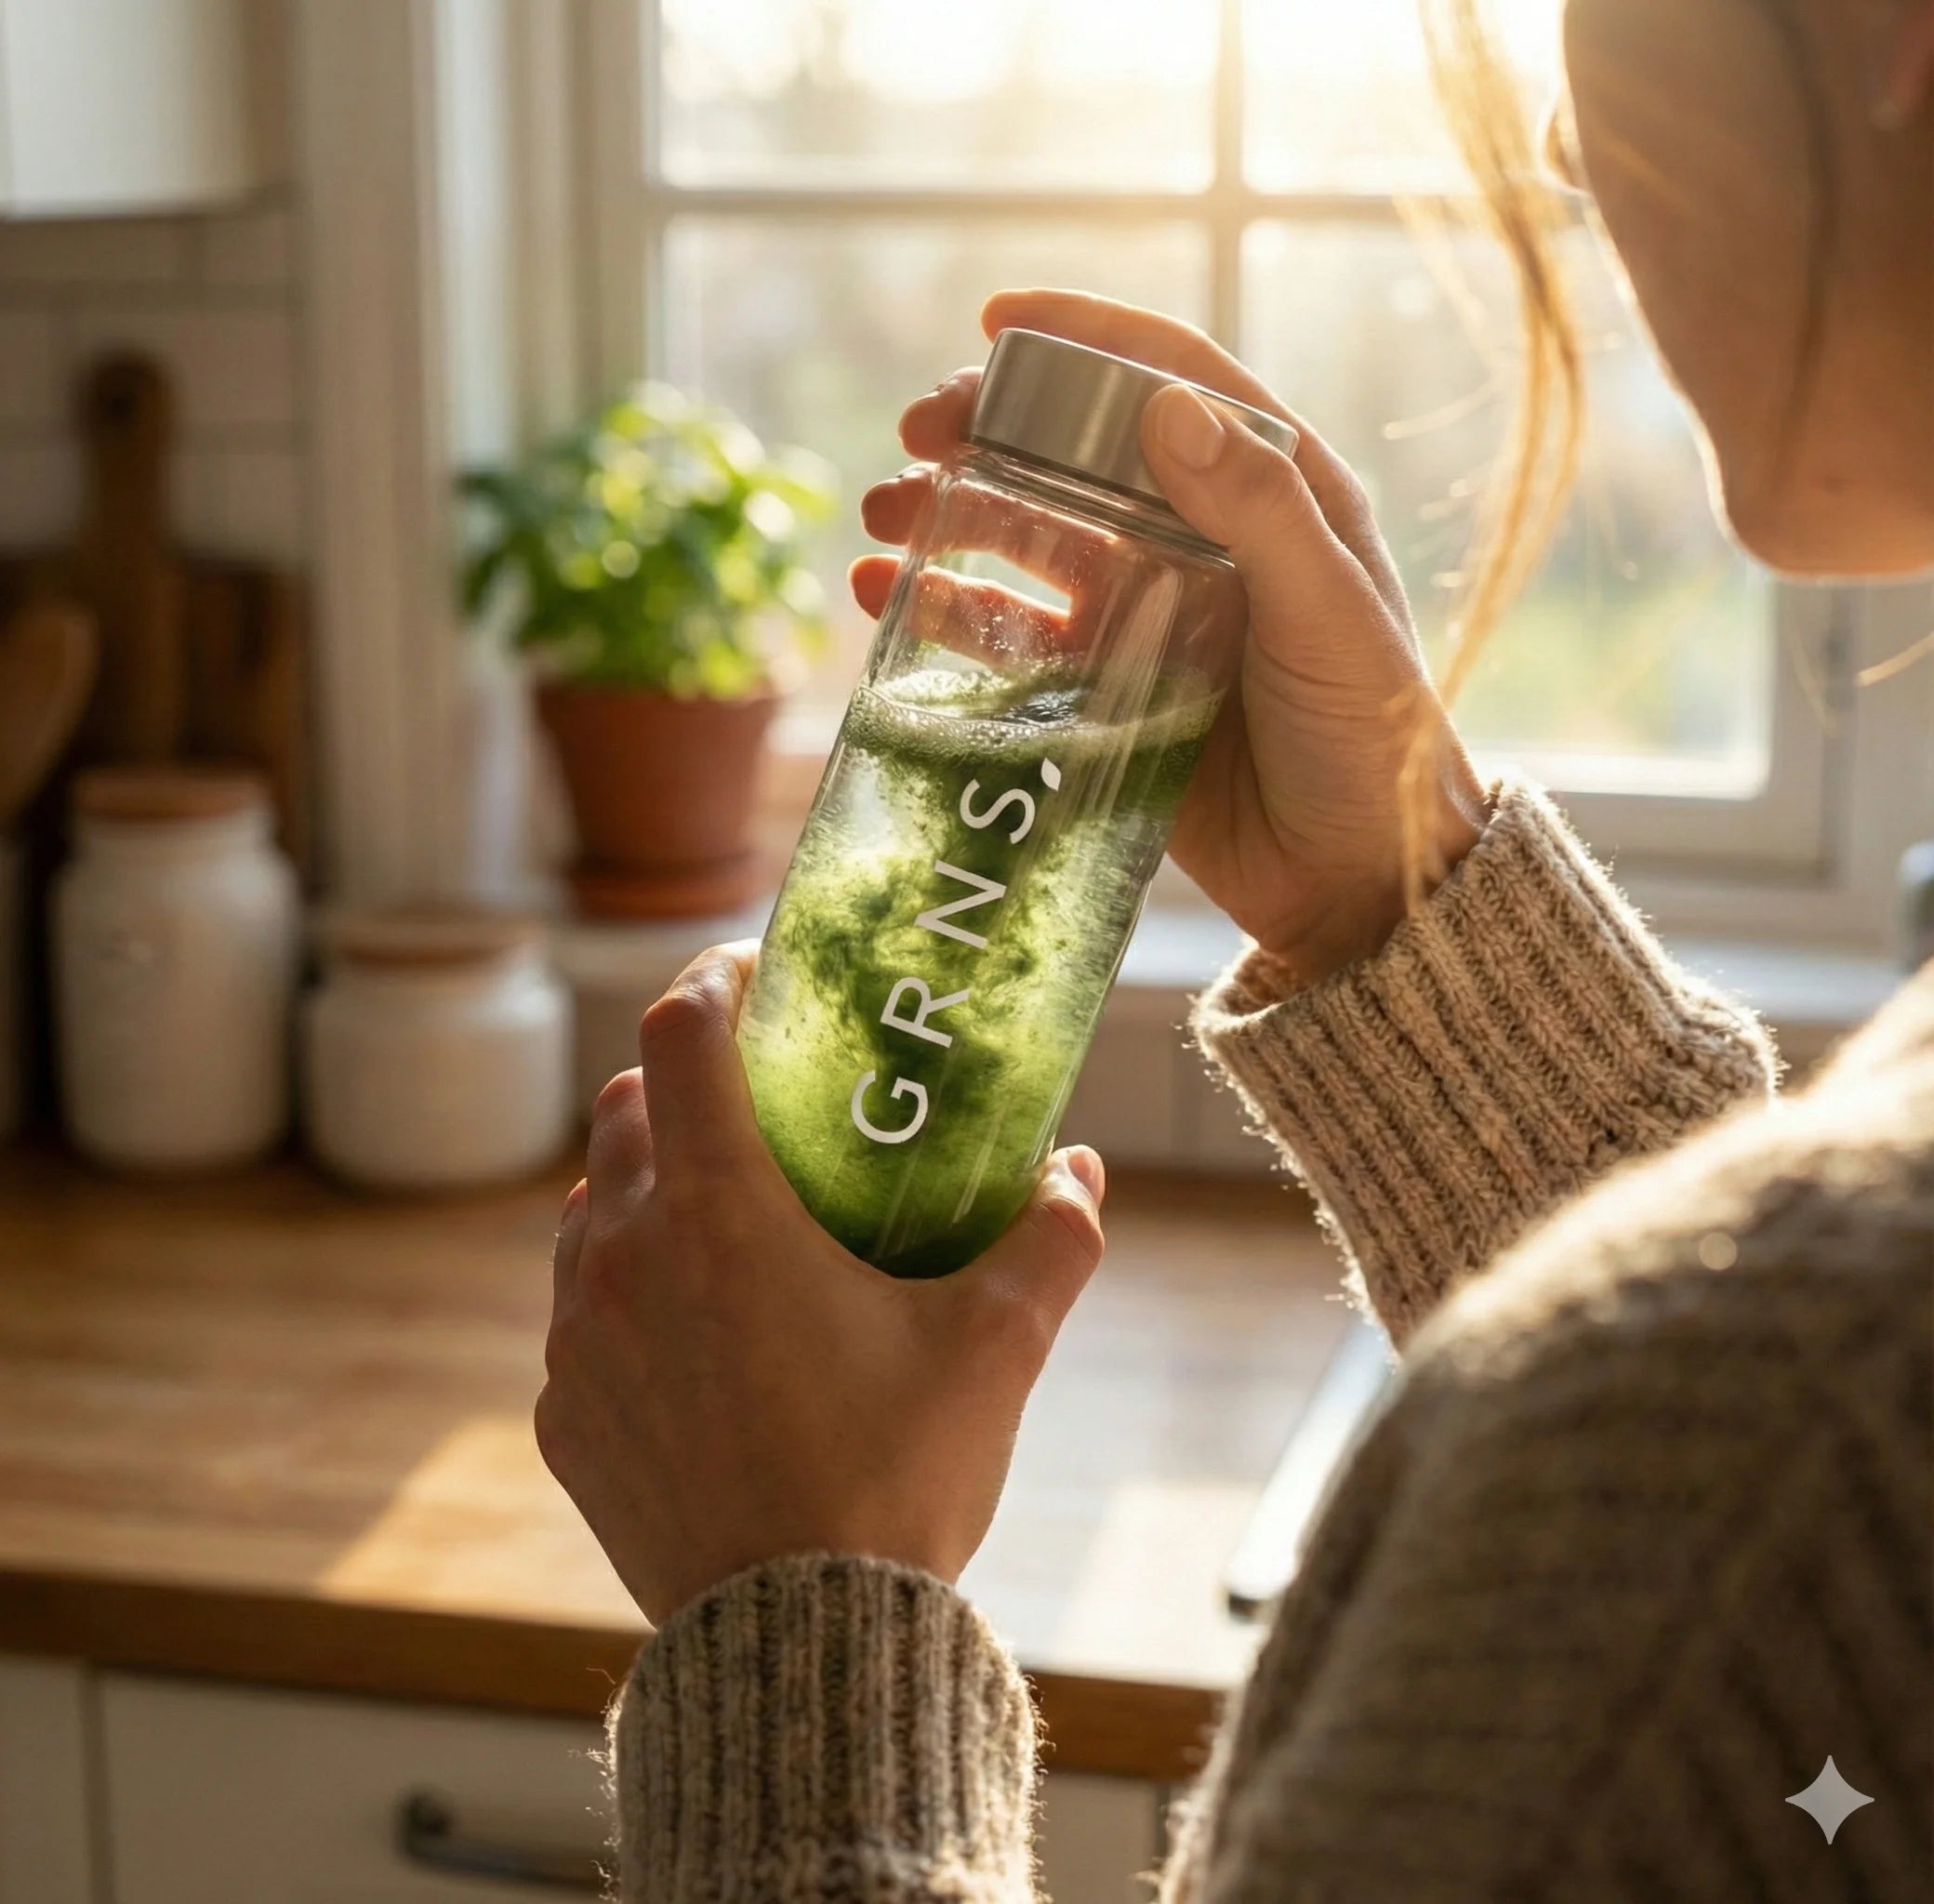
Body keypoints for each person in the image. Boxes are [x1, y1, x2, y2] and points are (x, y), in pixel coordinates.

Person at [535, 0, 1934, 1896]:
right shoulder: (1800, 1408)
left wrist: (797, 1623)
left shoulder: (1803, 1431)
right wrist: (1396, 902)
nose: (1552, 151)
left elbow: (1751, 1508)